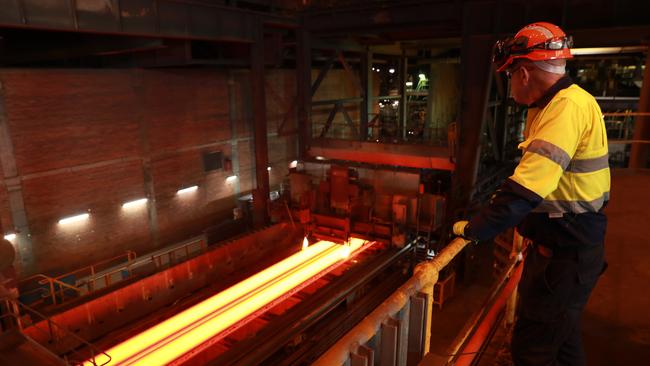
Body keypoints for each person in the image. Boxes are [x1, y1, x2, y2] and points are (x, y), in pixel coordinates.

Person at [452, 22, 610, 365]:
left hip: (567, 258)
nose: (509, 85)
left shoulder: (566, 109)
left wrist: (472, 229)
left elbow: (524, 191)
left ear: (524, 73)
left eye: (509, 76)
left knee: (532, 350)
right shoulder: (559, 105)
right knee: (563, 343)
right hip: (565, 251)